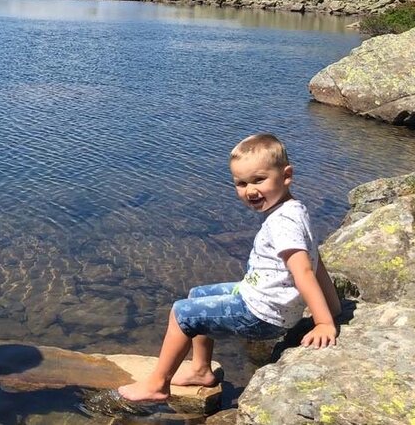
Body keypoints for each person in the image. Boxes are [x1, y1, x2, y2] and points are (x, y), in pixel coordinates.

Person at [118, 133, 342, 401]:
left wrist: (323, 322)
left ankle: (157, 385)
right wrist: (334, 306)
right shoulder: (295, 209)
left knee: (181, 313)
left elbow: (304, 270)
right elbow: (317, 260)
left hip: (261, 314)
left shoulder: (283, 223)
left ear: (286, 175)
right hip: (260, 298)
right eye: (241, 183)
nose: (250, 190)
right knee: (197, 294)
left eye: (259, 180)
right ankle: (201, 370)